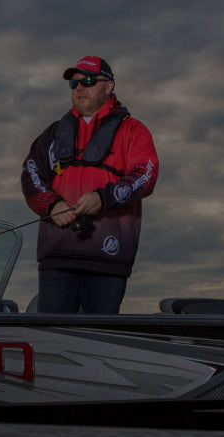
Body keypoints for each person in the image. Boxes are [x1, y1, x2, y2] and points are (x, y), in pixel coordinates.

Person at [19, 56, 159, 313]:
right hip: (57, 257)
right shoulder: (52, 133)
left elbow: (145, 175)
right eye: (74, 83)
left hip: (108, 258)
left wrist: (103, 198)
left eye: (90, 81)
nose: (80, 88)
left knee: (99, 338)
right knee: (53, 337)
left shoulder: (133, 130)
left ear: (109, 86)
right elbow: (31, 173)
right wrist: (51, 205)